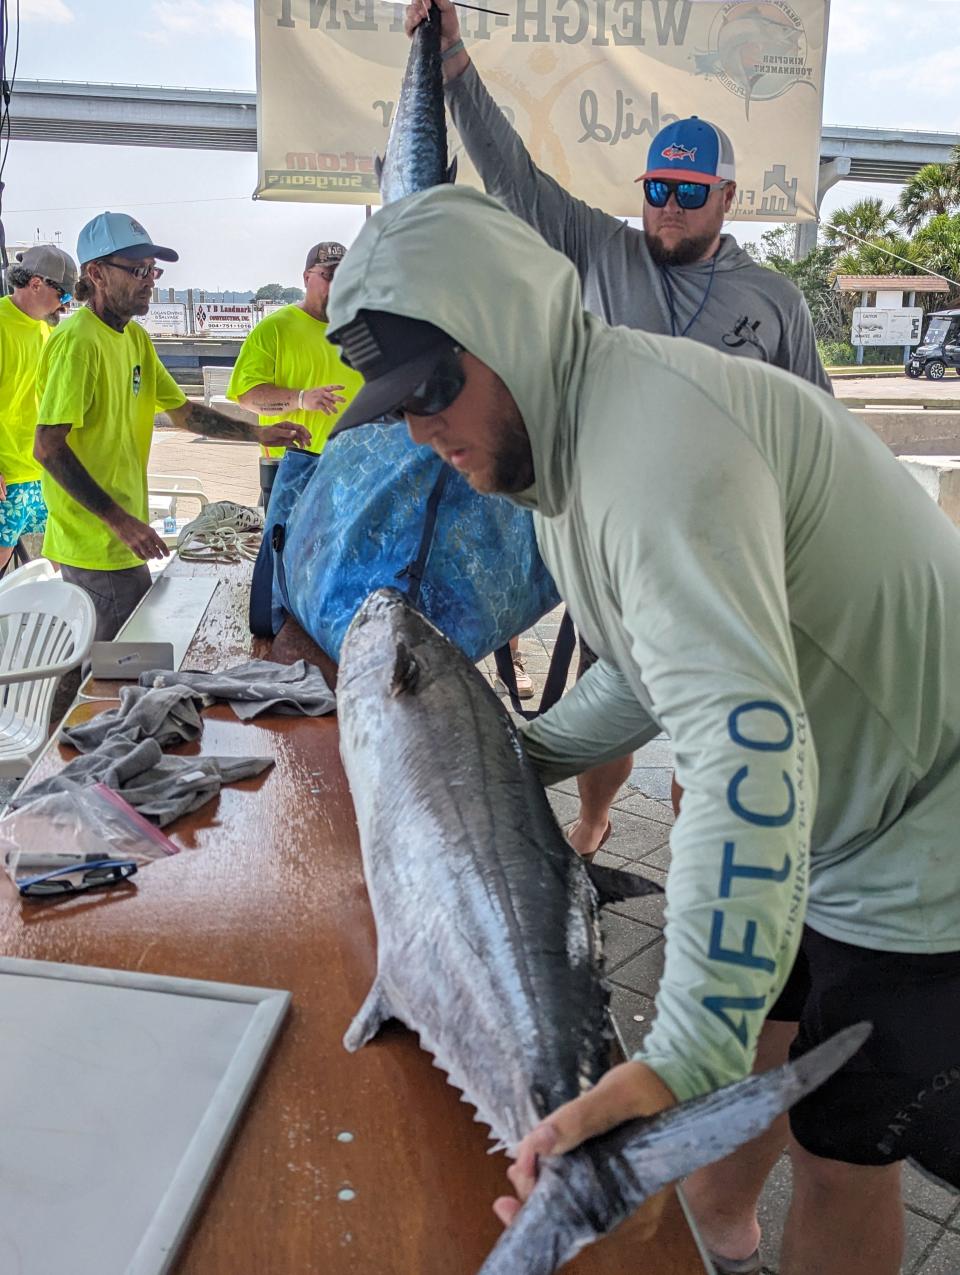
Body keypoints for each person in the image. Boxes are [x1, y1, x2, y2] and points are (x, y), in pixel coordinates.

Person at [326, 185, 960, 1275]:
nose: (424, 429)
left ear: (513, 330)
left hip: (922, 832)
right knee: (764, 1035)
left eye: (435, 387)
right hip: (821, 809)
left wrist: (681, 1053)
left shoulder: (651, 455)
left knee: (842, 1151)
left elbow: (736, 745)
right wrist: (514, 757)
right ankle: (717, 1232)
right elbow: (651, 667)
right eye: (396, 407)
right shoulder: (570, 450)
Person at [406, 0, 833, 850]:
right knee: (608, 704)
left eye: (688, 193)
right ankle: (595, 822)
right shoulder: (601, 249)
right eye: (657, 191)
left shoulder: (776, 303)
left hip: (730, 562)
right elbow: (513, 175)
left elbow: (819, 434)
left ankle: (701, 858)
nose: (668, 209)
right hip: (619, 556)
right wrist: (452, 60)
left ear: (727, 196)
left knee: (717, 737)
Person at [34, 212, 309, 641]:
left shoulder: (134, 338)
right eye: (137, 270)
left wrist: (258, 433)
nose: (149, 281)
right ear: (96, 274)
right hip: (96, 542)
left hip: (121, 539)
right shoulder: (79, 342)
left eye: (153, 270)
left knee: (127, 656)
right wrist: (119, 520)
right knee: (115, 668)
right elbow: (48, 448)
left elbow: (185, 413)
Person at [226, 241, 365, 460]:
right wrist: (301, 398)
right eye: (329, 275)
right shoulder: (274, 329)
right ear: (307, 277)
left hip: (355, 465)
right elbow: (247, 396)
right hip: (295, 467)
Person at [0, 245, 78, 571]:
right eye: (62, 295)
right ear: (35, 284)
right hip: (9, 479)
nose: (67, 304)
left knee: (62, 563)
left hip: (45, 472)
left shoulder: (50, 331)